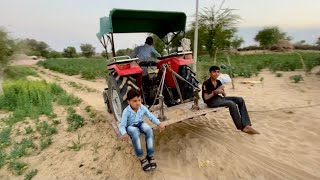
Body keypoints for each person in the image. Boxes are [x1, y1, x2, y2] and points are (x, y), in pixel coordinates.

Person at [202, 65, 260, 134]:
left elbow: (224, 95)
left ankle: (246, 124)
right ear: (210, 73)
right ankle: (242, 127)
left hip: (219, 99)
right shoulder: (206, 83)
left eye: (218, 72)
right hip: (211, 102)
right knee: (231, 103)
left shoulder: (219, 82)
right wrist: (215, 92)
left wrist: (222, 91)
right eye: (214, 72)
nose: (216, 73)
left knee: (240, 99)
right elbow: (206, 98)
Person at [119, 89, 166, 171]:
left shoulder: (142, 107)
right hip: (130, 126)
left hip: (140, 123)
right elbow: (122, 125)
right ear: (128, 102)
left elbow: (150, 116)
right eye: (134, 101)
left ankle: (150, 155)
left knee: (149, 130)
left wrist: (159, 123)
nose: (138, 103)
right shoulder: (126, 111)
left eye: (139, 100)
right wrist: (124, 133)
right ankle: (141, 157)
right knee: (135, 133)